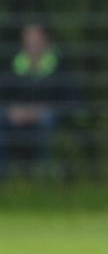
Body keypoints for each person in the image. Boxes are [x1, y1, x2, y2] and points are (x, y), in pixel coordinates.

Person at [0, 23, 65, 177]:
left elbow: (69, 99)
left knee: (48, 120)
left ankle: (44, 174)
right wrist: (12, 111)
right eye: (29, 42)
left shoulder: (59, 66)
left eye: (36, 42)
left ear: (46, 42)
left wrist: (41, 111)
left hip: (46, 116)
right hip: (17, 116)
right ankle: (5, 175)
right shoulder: (14, 65)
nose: (32, 46)